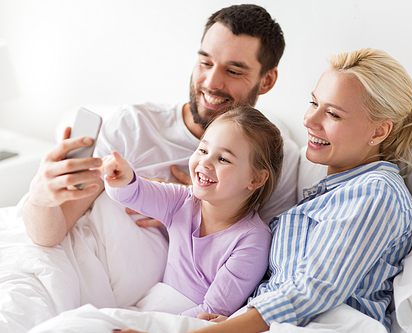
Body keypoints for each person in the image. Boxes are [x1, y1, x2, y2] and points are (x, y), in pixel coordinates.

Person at [119, 48, 412, 333]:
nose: (309, 120)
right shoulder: (326, 193)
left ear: (379, 131)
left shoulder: (375, 194)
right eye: (313, 103)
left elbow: (311, 290)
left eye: (332, 114)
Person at [22, 4, 299, 247]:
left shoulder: (274, 157)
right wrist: (40, 198)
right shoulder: (134, 127)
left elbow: (264, 260)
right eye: (205, 62)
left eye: (234, 71)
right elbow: (51, 234)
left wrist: (200, 203)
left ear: (267, 81)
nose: (212, 82)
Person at [100, 106, 283, 318]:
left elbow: (212, 312)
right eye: (203, 150)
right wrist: (122, 178)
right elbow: (133, 193)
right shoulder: (182, 201)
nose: (205, 162)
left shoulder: (252, 239)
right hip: (152, 305)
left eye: (223, 159)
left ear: (256, 179)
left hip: (188, 322)